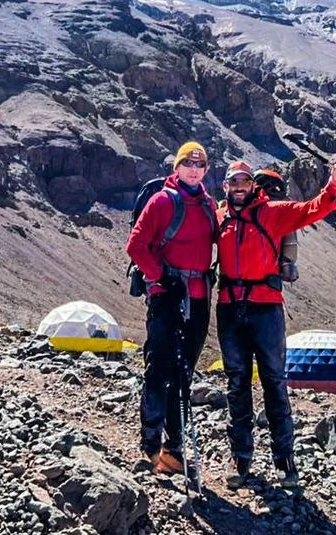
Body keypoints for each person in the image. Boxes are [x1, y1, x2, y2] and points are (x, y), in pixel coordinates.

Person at [216, 160, 336, 488]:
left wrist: (334, 187)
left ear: (252, 185)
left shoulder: (272, 212)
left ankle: (285, 461)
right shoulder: (218, 218)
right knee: (237, 385)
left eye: (244, 181)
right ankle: (240, 459)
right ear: (225, 186)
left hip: (266, 309)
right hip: (230, 309)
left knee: (274, 383)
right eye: (233, 181)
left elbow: (309, 211)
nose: (238, 186)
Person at [126, 142, 217, 475]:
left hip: (198, 299)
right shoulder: (162, 201)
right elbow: (136, 245)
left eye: (200, 165)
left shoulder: (208, 205)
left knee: (183, 373)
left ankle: (173, 449)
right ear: (177, 167)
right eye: (188, 164)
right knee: (159, 368)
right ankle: (150, 446)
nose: (194, 170)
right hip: (166, 296)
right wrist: (161, 276)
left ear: (206, 170)